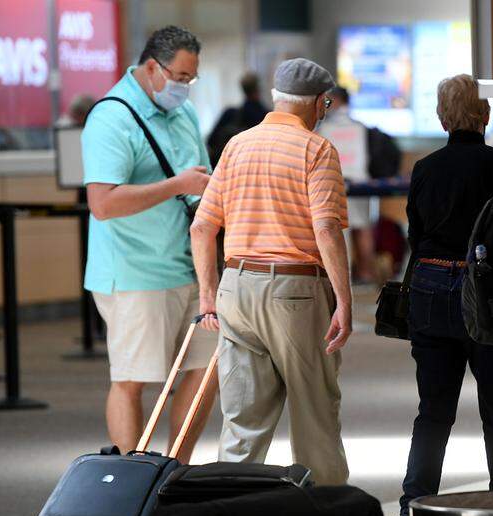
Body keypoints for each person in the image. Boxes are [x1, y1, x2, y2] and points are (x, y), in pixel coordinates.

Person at [190, 58, 353, 486]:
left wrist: (208, 298)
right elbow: (325, 228)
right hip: (296, 293)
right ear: (320, 103)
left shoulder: (236, 145)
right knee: (315, 414)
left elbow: (203, 226)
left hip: (235, 289)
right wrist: (346, 301)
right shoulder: (316, 149)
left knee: (243, 423)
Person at [82, 25, 216, 462]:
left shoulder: (184, 113)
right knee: (133, 379)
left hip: (190, 265)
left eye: (190, 79)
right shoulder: (112, 117)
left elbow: (199, 182)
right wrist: (174, 184)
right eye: (179, 78)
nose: (184, 87)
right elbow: (102, 203)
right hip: (136, 272)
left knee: (205, 369)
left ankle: (174, 469)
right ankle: (129, 478)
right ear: (152, 67)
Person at [397, 74, 493, 516]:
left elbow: (416, 232)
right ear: (485, 114)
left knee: (433, 408)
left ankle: (414, 503)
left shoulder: (425, 168)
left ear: (441, 116)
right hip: (482, 291)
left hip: (430, 284)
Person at [320, 86, 377, 284]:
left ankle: (344, 276)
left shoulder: (325, 128)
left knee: (339, 230)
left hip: (335, 182)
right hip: (361, 182)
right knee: (363, 227)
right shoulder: (360, 127)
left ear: (336, 100)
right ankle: (366, 272)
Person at [206, 71, 269, 165]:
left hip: (229, 168)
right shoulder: (266, 116)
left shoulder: (229, 114)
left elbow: (211, 141)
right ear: (258, 90)